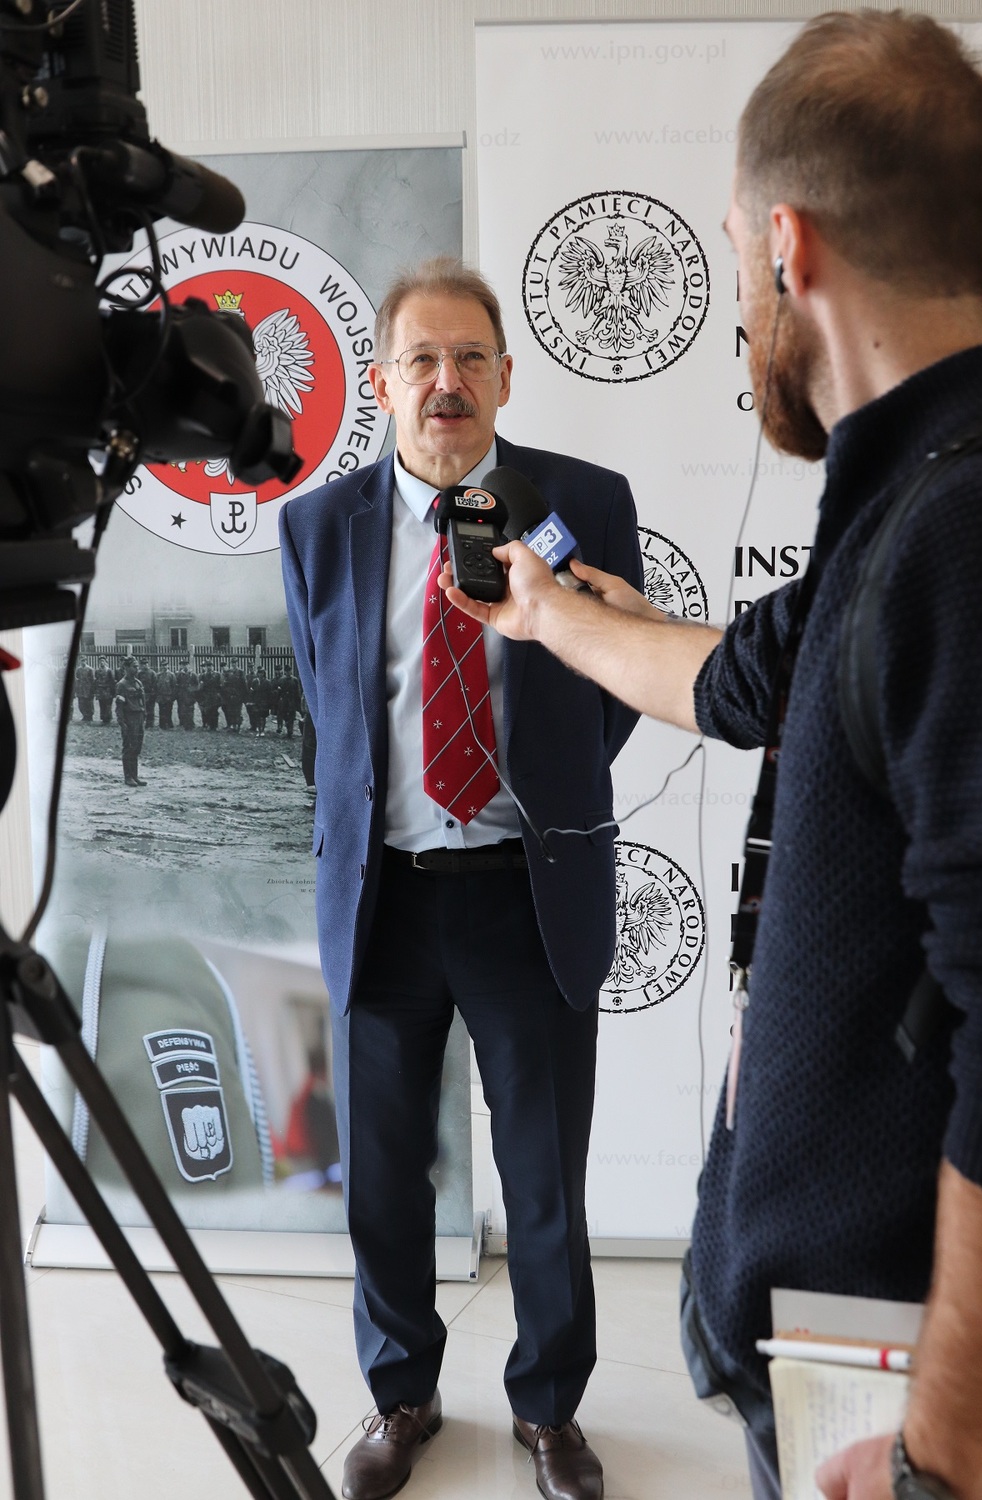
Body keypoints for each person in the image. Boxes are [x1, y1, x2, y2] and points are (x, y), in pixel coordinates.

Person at [445, 16, 982, 1500]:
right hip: (833, 1349)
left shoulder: (963, 534)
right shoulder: (911, 494)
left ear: (788, 248)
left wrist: (945, 1456)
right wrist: (546, 613)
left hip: (906, 1408)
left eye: (737, 264)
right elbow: (742, 680)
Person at [280, 256, 642, 1500]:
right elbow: (329, 710)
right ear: (381, 382)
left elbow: (615, 689)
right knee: (382, 1177)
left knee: (544, 1174)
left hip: (521, 893)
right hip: (382, 900)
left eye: (468, 358)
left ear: (505, 373)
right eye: (421, 360)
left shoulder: (582, 502)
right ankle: (400, 1398)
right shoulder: (315, 526)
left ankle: (548, 1410)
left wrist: (539, 803)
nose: (446, 383)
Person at [114, 656, 146, 787]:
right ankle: (128, 777)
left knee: (137, 747)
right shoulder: (122, 685)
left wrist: (144, 717)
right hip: (129, 718)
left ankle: (135, 776)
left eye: (137, 666)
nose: (137, 669)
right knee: (129, 748)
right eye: (134, 666)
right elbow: (119, 707)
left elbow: (142, 701)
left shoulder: (138, 682)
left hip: (139, 718)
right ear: (126, 668)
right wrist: (122, 723)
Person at [94, 657, 116, 725]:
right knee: (102, 704)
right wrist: (96, 690)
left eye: (103, 661)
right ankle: (103, 718)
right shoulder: (97, 671)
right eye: (100, 661)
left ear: (106, 662)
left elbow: (112, 681)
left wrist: (113, 692)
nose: (102, 662)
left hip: (107, 690)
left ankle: (108, 718)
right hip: (100, 690)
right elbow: (96, 680)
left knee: (108, 704)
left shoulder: (109, 670)